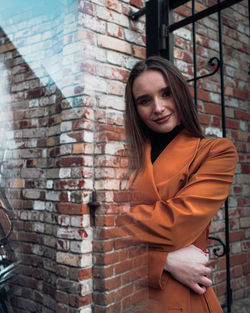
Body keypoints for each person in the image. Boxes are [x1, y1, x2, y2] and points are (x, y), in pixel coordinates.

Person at [125, 56, 237, 313]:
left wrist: (117, 219)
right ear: (136, 109)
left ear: (180, 93)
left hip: (184, 300)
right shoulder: (126, 160)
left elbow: (174, 225)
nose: (158, 107)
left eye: (166, 93)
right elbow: (102, 245)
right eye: (145, 100)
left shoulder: (215, 152)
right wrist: (164, 260)